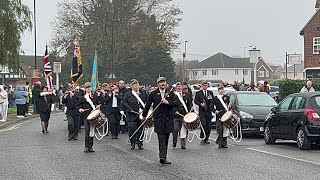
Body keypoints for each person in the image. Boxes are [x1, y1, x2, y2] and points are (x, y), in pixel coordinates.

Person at [142, 77, 178, 165]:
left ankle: (164, 156)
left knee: (166, 139)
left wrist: (167, 102)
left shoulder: (170, 93)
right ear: (158, 84)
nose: (163, 84)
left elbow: (177, 103)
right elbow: (148, 104)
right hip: (159, 119)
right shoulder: (153, 93)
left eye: (164, 82)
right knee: (161, 138)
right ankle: (162, 157)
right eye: (161, 82)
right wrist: (144, 115)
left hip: (168, 119)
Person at [122, 79, 148, 150]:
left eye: (137, 85)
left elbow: (148, 101)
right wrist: (129, 108)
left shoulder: (144, 92)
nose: (136, 87)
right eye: (134, 85)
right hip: (131, 114)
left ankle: (140, 143)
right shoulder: (128, 94)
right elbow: (124, 102)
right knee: (132, 129)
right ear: (131, 86)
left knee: (141, 129)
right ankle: (132, 143)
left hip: (141, 114)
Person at [76, 82, 100, 153]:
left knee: (92, 131)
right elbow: (77, 105)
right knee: (87, 131)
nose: (89, 89)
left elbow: (98, 103)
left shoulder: (94, 96)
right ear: (85, 89)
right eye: (87, 88)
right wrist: (80, 109)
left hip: (93, 116)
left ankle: (91, 146)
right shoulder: (83, 97)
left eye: (89, 88)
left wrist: (98, 106)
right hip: (86, 116)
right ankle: (86, 147)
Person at [172, 82, 193, 149]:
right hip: (176, 115)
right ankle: (174, 142)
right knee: (175, 129)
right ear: (176, 88)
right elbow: (171, 105)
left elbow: (189, 104)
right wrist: (175, 111)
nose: (179, 87)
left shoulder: (187, 95)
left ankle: (183, 145)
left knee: (184, 130)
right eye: (177, 86)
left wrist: (190, 110)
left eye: (180, 86)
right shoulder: (173, 95)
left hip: (184, 115)